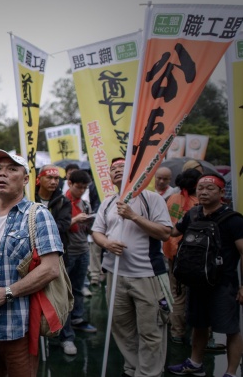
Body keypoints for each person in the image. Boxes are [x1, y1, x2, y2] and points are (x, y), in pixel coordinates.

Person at [0, 150, 64, 377]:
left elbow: (51, 268)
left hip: (18, 321)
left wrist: (8, 292)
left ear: (26, 178)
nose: (3, 174)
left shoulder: (37, 214)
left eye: (12, 169)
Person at [91, 158, 172, 377]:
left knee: (150, 329)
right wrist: (107, 243)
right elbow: (97, 232)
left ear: (135, 173)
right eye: (113, 168)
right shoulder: (108, 202)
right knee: (121, 326)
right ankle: (135, 367)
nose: (116, 171)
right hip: (116, 276)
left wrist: (133, 216)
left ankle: (149, 373)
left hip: (147, 275)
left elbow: (165, 232)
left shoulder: (151, 198)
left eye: (122, 167)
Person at [167, 173, 243, 377]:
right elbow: (172, 232)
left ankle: (231, 373)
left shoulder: (233, 219)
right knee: (199, 325)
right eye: (200, 188)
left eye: (210, 188)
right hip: (197, 282)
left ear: (221, 192)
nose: (204, 191)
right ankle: (195, 363)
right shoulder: (193, 214)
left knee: (231, 329)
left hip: (224, 285)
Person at [58, 169, 97, 356]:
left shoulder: (86, 205)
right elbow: (60, 227)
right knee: (65, 293)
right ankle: (66, 335)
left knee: (78, 288)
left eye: (84, 188)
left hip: (83, 250)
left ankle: (77, 318)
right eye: (78, 187)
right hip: (67, 253)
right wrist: (75, 219)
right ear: (69, 183)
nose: (81, 191)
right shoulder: (61, 203)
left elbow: (89, 230)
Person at [162, 168, 200, 345]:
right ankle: (199, 336)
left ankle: (176, 332)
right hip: (193, 256)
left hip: (172, 251)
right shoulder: (199, 203)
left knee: (177, 294)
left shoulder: (172, 199)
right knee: (198, 296)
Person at [34, 165, 71, 257]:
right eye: (49, 178)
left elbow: (63, 225)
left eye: (56, 178)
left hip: (57, 250)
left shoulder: (63, 201)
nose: (53, 182)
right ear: (39, 178)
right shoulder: (30, 198)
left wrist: (38, 228)